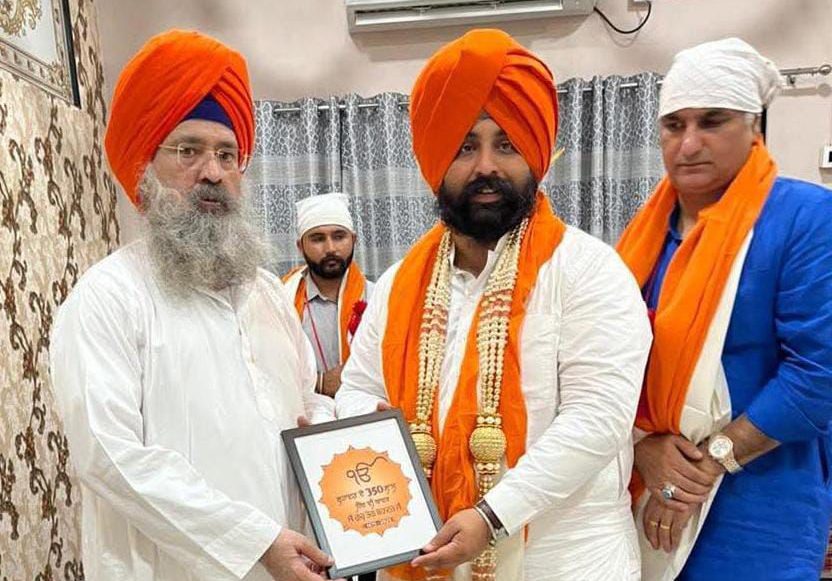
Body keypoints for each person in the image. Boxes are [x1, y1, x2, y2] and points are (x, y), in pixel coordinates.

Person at [335, 29, 651, 580]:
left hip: (563, 562)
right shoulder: (398, 284)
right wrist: (364, 435)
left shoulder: (587, 271)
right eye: (464, 146)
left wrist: (492, 515)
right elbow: (358, 387)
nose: (486, 166)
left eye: (505, 144)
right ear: (436, 160)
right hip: (424, 553)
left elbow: (597, 418)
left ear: (534, 152)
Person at [50, 30, 337, 581]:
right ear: (146, 165)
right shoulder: (109, 297)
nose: (212, 172)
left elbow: (307, 400)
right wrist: (253, 541)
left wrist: (346, 442)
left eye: (227, 154)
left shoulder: (267, 294)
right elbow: (110, 457)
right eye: (188, 151)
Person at [618, 37, 832, 580]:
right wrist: (643, 448)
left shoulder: (805, 218)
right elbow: (608, 363)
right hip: (646, 489)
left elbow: (819, 373)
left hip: (761, 501)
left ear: (754, 127)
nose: (689, 143)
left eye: (712, 122)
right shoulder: (643, 237)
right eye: (674, 125)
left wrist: (707, 463)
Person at [283, 193, 374, 398]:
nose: (330, 248)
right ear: (300, 246)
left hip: (370, 412)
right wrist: (319, 382)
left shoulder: (379, 298)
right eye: (318, 239)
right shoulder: (281, 301)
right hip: (303, 413)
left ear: (354, 240)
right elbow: (266, 369)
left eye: (339, 237)